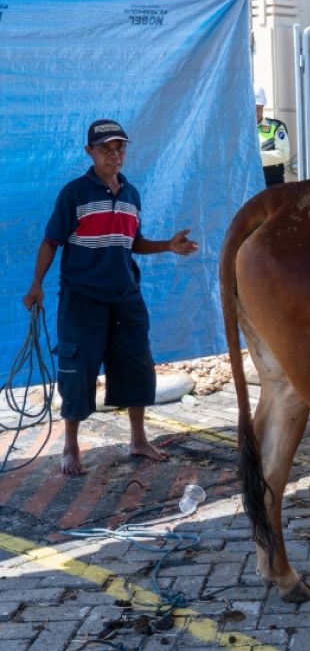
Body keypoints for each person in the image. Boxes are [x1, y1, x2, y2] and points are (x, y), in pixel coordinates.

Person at [22, 119, 199, 476]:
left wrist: (167, 245)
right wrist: (36, 285)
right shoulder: (74, 194)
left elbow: (133, 243)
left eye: (119, 148)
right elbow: (51, 241)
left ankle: (138, 439)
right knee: (78, 369)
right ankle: (70, 446)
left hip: (126, 297)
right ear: (90, 152)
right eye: (105, 148)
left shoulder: (131, 195)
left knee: (136, 367)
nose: (114, 155)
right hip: (82, 298)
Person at [256, 86, 290, 187]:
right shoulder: (240, 130)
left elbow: (284, 154)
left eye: (258, 108)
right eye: (252, 107)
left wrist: (255, 158)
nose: (256, 112)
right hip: (247, 186)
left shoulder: (276, 126)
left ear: (263, 107)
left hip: (272, 186)